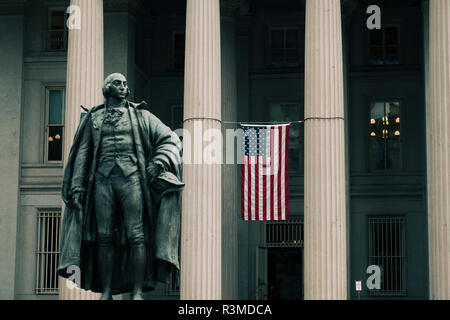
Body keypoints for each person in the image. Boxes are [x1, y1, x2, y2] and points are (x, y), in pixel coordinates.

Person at [57, 73, 184, 300]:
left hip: (133, 179)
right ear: (108, 88)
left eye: (126, 83)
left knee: (137, 234)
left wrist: (158, 162)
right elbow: (83, 154)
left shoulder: (141, 115)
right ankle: (106, 291)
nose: (124, 87)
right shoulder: (92, 118)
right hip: (102, 182)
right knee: (104, 236)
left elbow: (171, 139)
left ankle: (137, 292)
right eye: (118, 83)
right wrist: (77, 186)